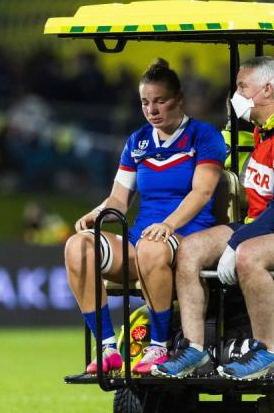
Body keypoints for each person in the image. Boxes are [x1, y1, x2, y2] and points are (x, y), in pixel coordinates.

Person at [152, 56, 274, 380]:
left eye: (242, 87)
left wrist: (237, 243)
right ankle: (196, 350)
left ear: (266, 91)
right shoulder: (265, 129)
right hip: (267, 224)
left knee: (249, 257)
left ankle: (268, 353)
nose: (234, 94)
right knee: (190, 249)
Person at [64, 58, 225, 375]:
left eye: (160, 101)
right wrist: (96, 215)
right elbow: (118, 201)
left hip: (187, 235)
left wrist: (168, 225)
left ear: (178, 99)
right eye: (145, 102)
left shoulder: (204, 137)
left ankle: (159, 346)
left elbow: (202, 192)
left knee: (152, 247)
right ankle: (108, 348)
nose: (152, 110)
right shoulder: (137, 142)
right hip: (145, 238)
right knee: (78, 247)